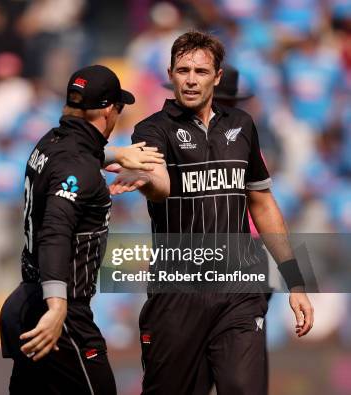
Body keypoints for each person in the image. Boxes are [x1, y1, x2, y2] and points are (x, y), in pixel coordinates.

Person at [112, 31, 314, 394]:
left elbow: (263, 204)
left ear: (217, 76)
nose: (191, 79)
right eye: (183, 70)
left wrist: (294, 280)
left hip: (239, 290)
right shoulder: (153, 129)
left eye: (201, 71)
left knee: (243, 387)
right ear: (171, 74)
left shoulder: (242, 126)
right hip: (177, 293)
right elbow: (160, 186)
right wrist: (144, 179)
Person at [0, 65, 168, 395]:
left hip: (29, 302)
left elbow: (78, 156)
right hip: (63, 317)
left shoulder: (50, 141)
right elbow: (55, 231)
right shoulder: (78, 166)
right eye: (118, 108)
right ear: (107, 110)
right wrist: (58, 306)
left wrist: (117, 154)